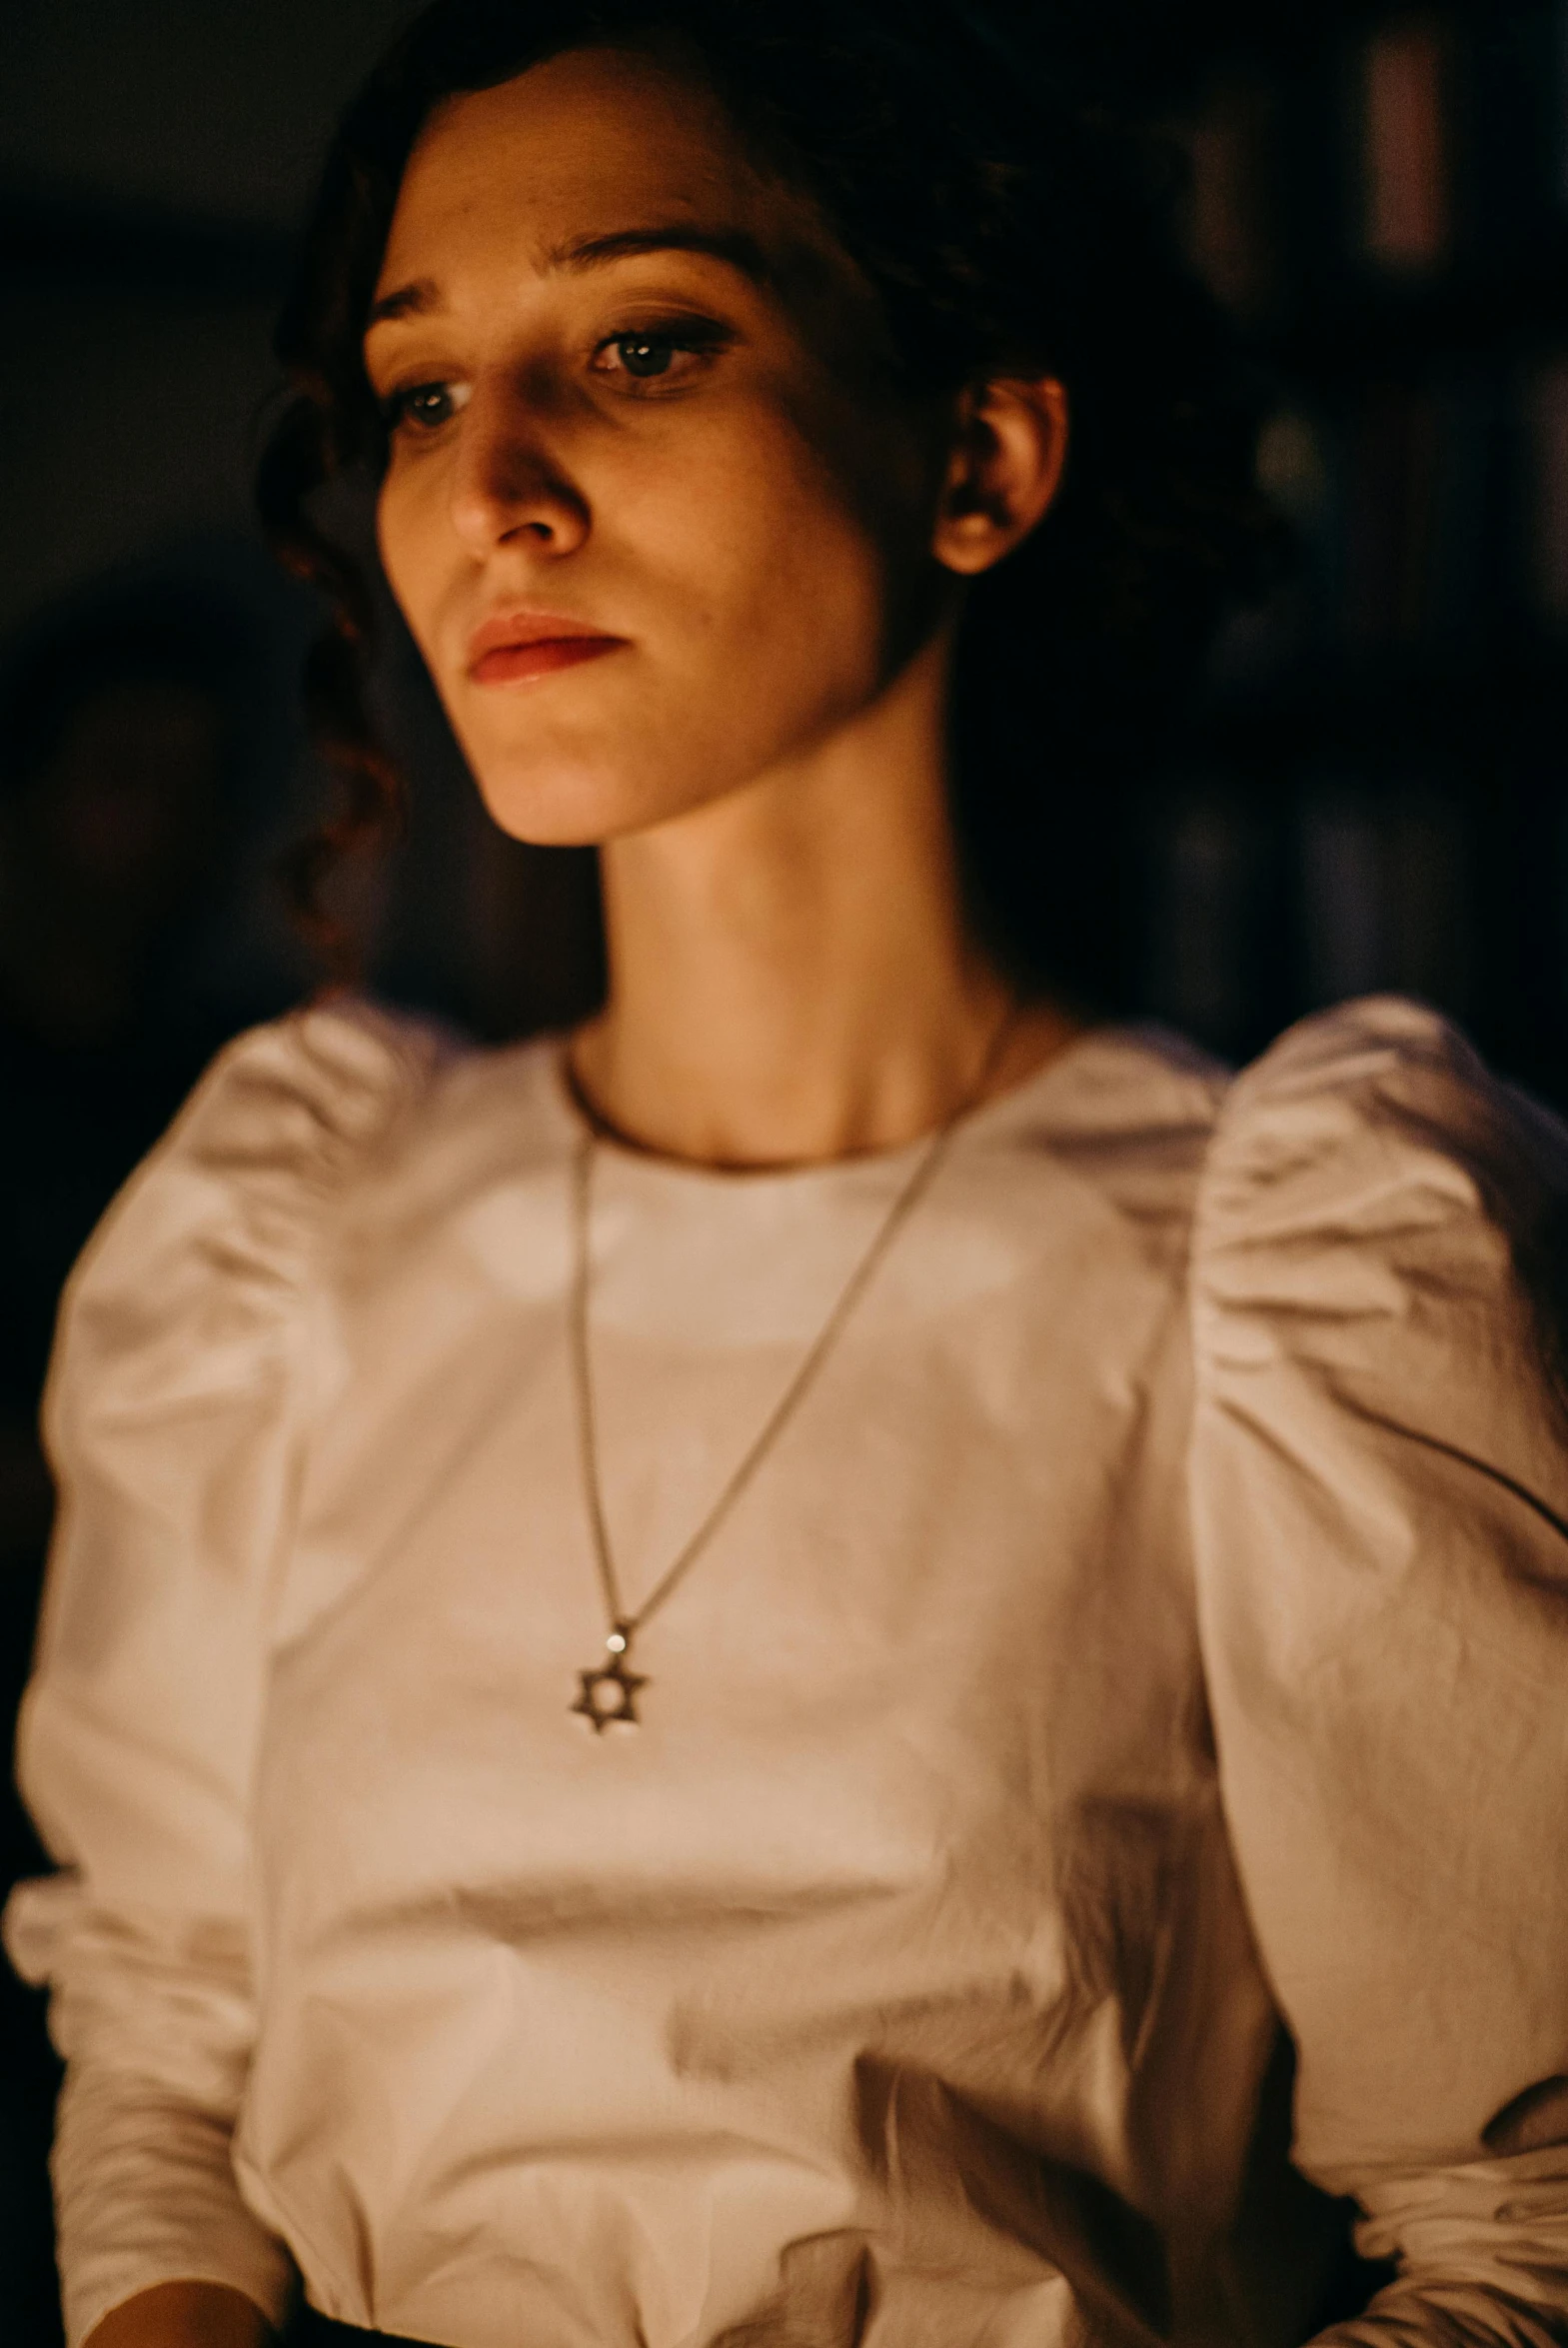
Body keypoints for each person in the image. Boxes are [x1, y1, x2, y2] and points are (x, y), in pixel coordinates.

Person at [8, 6, 1568, 2347]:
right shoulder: (290, 1226)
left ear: (976, 453)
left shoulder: (1302, 1260)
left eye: (640, 343)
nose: (490, 488)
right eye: (420, 391)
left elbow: (1511, 2229)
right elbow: (158, 2031)